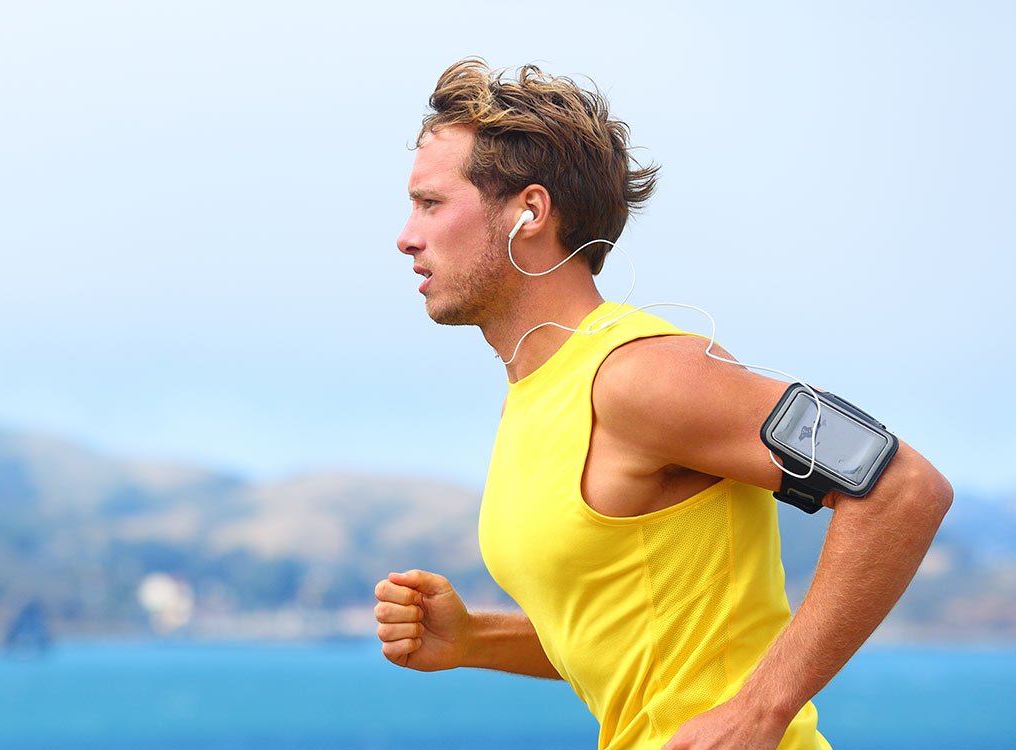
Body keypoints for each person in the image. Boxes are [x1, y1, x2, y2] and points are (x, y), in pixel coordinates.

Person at [372, 58, 953, 750]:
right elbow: (632, 636)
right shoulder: (538, 393)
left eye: (431, 203)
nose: (406, 236)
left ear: (529, 212)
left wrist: (761, 710)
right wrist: (475, 639)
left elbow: (903, 487)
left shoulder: (645, 374)